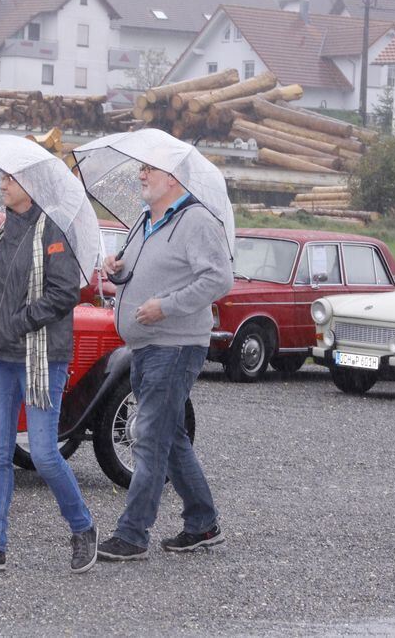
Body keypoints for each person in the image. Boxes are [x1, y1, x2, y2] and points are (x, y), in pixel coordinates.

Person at [0, 172, 98, 574]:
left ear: (34, 186)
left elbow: (64, 295)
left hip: (42, 356)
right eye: (3, 178)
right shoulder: (5, 230)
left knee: (45, 454)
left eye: (11, 179)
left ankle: (83, 527)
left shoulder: (54, 231)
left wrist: (20, 322)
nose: (3, 185)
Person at [96, 162, 234, 561]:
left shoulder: (197, 221)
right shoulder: (145, 219)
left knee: (150, 437)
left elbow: (218, 279)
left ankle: (133, 534)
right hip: (145, 345)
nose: (140, 176)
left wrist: (167, 307)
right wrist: (115, 269)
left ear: (172, 178)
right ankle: (202, 523)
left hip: (174, 346)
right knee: (170, 437)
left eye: (148, 170)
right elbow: (142, 271)